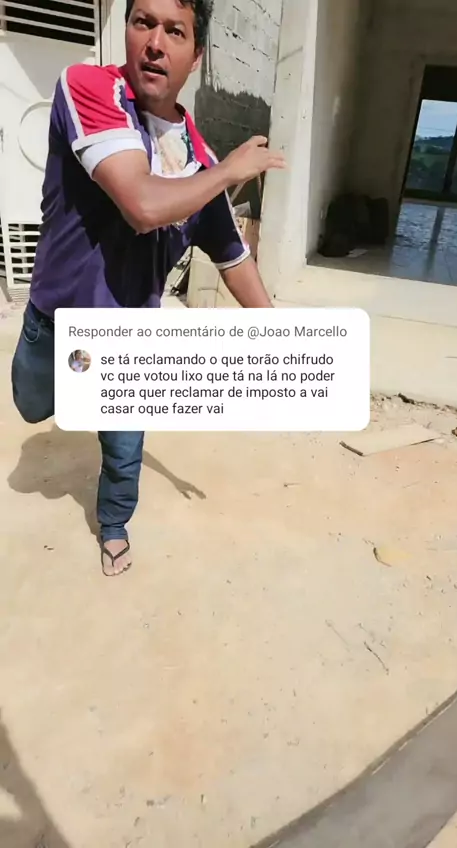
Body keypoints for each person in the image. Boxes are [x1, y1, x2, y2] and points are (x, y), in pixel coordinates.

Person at [11, 0, 286, 577]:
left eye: (175, 31)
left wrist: (281, 338)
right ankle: (75, 392)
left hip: (128, 339)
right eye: (143, 23)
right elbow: (141, 204)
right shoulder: (88, 89)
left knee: (124, 449)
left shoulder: (201, 161)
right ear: (128, 31)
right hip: (54, 320)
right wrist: (227, 174)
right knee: (33, 406)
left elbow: (233, 258)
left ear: (196, 56)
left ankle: (113, 526)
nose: (156, 43)